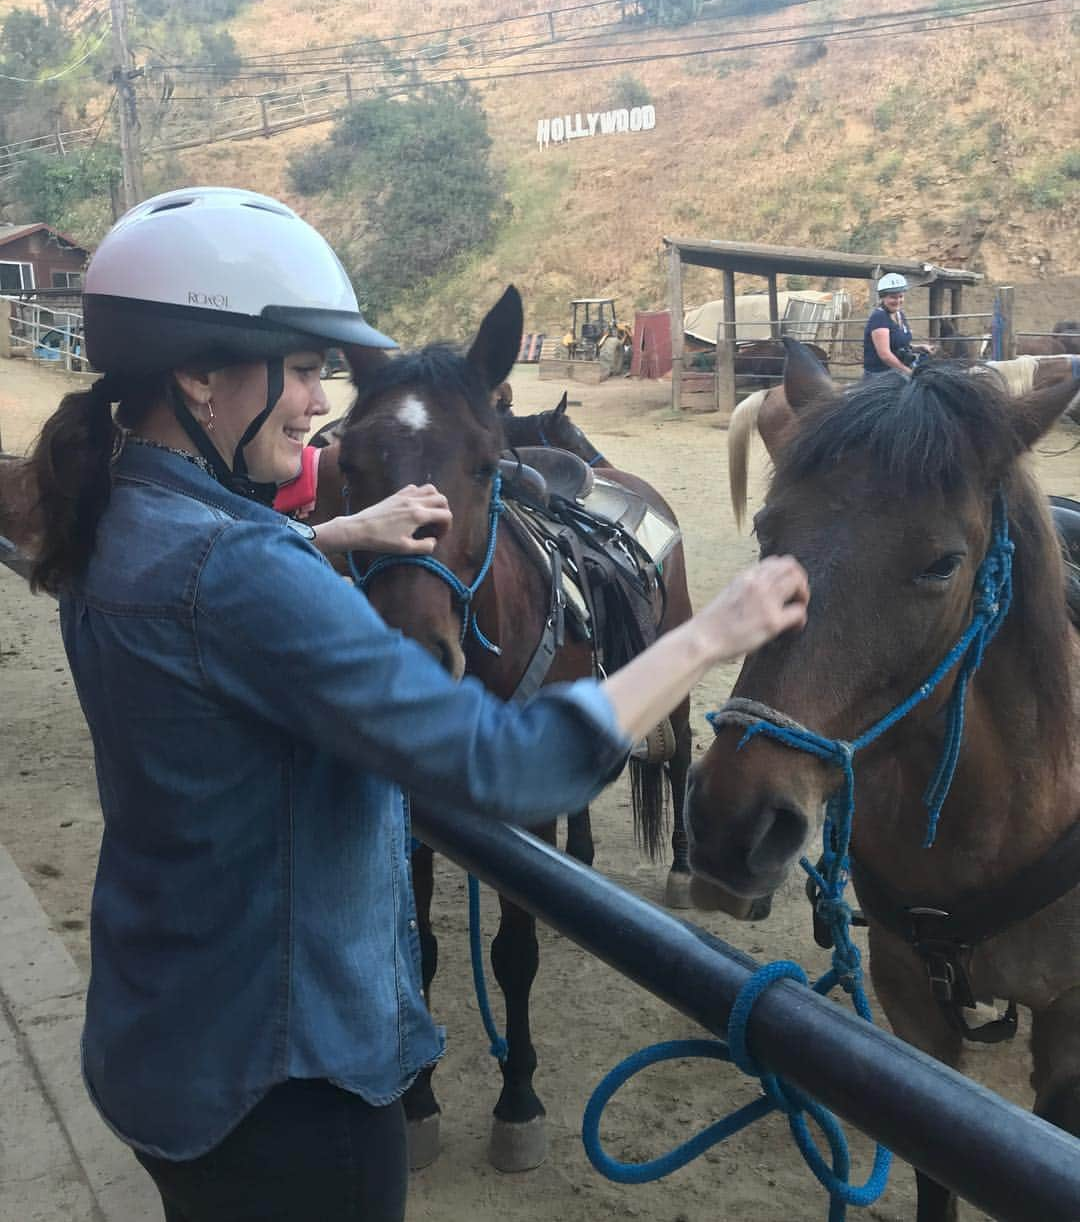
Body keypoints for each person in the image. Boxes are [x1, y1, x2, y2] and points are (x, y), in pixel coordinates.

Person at [28, 187, 810, 1222]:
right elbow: (506, 767)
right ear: (201, 376)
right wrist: (713, 632)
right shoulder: (240, 572)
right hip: (290, 1082)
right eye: (302, 371)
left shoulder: (121, 515)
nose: (317, 405)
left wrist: (333, 538)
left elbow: (206, 600)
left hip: (160, 1038)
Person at [862, 272, 916, 376]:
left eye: (900, 296)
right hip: (881, 374)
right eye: (893, 297)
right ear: (882, 298)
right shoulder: (879, 318)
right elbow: (885, 355)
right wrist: (908, 372)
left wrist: (918, 347)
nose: (898, 300)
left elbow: (897, 344)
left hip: (897, 370)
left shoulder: (899, 314)